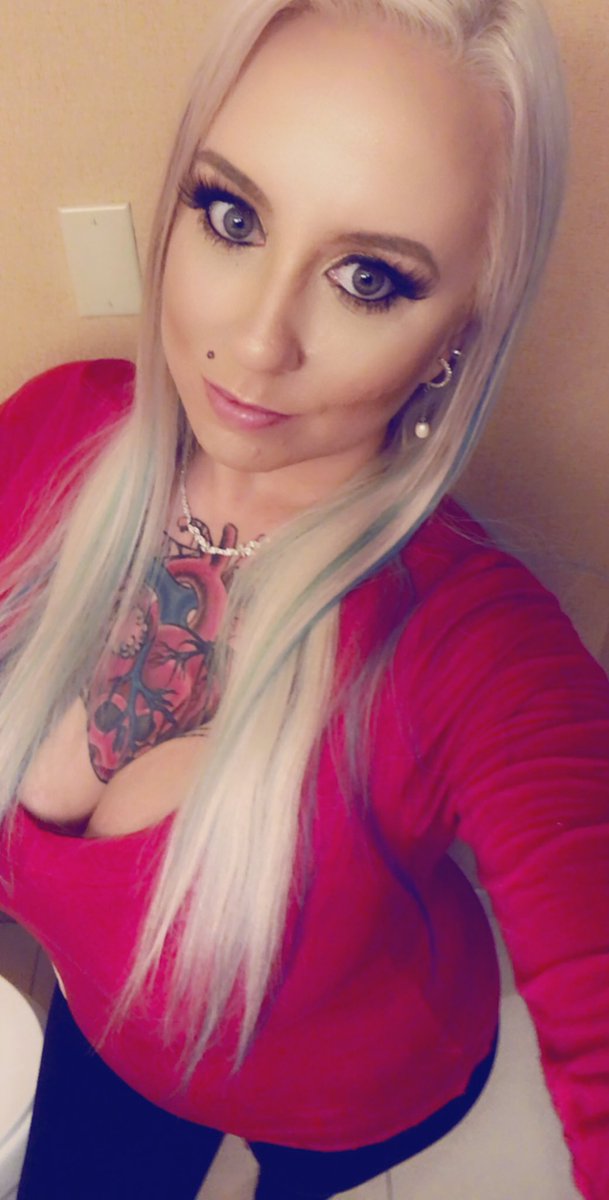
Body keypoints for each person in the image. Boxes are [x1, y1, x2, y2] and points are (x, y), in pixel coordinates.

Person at [1, 0, 608, 1197]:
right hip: (106, 1040)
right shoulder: (55, 430)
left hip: (360, 1096)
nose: (256, 340)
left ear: (462, 329)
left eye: (369, 278)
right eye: (233, 217)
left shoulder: (476, 646)